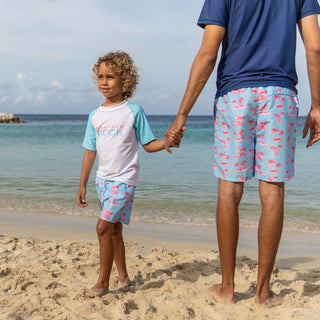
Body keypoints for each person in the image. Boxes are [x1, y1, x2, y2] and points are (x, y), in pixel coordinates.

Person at [164, 0, 320, 305]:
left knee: (229, 190)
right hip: (280, 94)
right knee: (272, 193)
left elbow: (208, 53)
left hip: (235, 94)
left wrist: (182, 114)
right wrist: (318, 104)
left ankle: (227, 287)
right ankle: (262, 292)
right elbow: (314, 49)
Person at [77, 51, 181, 298]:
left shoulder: (133, 111)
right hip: (102, 180)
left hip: (124, 180)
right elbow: (90, 151)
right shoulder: (95, 115)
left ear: (125, 80)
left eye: (111, 77)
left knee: (102, 228)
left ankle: (102, 283)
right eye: (100, 77)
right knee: (114, 231)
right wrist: (82, 185)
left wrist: (166, 142)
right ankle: (124, 278)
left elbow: (147, 144)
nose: (104, 82)